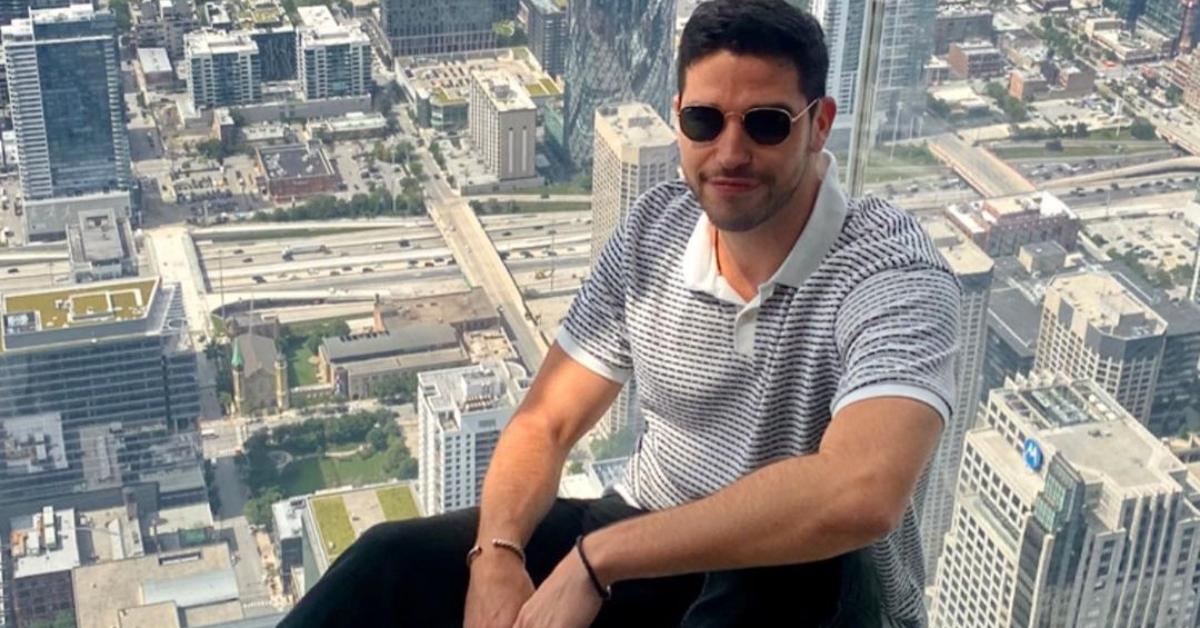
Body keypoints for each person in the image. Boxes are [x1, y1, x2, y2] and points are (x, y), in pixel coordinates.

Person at [280, 0, 960, 626]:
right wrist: (498, 556)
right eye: (704, 120)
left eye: (765, 123)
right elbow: (546, 421)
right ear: (678, 118)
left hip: (811, 593)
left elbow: (860, 491)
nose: (729, 151)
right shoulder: (653, 232)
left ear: (819, 124)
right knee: (389, 561)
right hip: (644, 533)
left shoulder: (887, 269)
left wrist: (596, 562)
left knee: (781, 580)